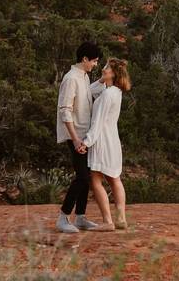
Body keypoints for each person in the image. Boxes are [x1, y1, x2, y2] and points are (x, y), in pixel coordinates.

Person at [55, 41, 105, 234]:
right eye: (94, 61)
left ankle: (81, 217)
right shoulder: (70, 79)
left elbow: (88, 94)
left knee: (88, 176)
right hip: (75, 136)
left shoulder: (83, 76)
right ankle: (63, 217)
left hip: (85, 136)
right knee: (83, 177)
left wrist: (101, 82)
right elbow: (65, 111)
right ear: (84, 59)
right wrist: (75, 139)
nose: (95, 64)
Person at [78, 58, 131, 231]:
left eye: (107, 68)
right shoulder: (114, 91)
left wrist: (86, 142)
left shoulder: (108, 94)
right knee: (114, 178)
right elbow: (89, 91)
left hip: (102, 140)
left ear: (114, 73)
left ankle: (108, 222)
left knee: (95, 180)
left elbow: (98, 122)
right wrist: (102, 79)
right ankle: (121, 218)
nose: (103, 69)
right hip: (112, 140)